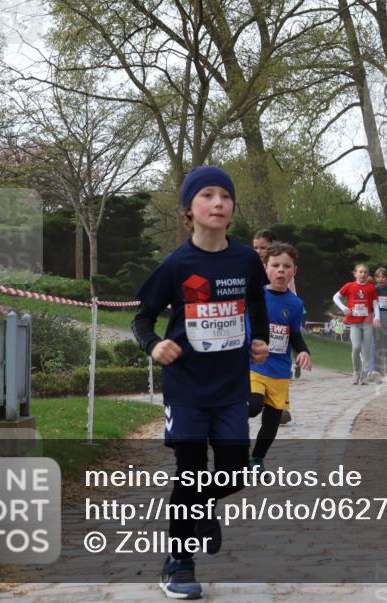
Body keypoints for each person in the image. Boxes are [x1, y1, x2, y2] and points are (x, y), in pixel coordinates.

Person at [131, 165, 269, 599]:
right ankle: (178, 562)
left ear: (232, 210)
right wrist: (153, 345)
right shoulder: (177, 264)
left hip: (230, 387)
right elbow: (141, 318)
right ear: (188, 209)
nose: (218, 203)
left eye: (225, 196)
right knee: (189, 474)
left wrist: (260, 337)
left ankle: (204, 505)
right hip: (187, 387)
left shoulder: (245, 259)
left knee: (233, 475)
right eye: (207, 195)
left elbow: (255, 301)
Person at [248, 242, 312, 468]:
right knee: (253, 406)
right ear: (265, 268)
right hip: (254, 365)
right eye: (275, 265)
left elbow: (294, 335)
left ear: (294, 271)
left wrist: (303, 350)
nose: (281, 270)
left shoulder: (295, 304)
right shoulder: (254, 296)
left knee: (273, 420)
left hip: (279, 370)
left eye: (287, 266)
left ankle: (257, 459)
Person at [333, 264, 380, 385]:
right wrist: (344, 308)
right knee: (356, 347)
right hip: (354, 323)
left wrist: (377, 318)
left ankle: (364, 376)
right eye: (360, 272)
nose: (363, 274)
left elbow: (375, 304)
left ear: (368, 275)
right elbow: (336, 297)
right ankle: (356, 372)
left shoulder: (371, 288)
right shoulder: (349, 286)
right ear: (355, 274)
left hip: (367, 322)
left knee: (367, 350)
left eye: (365, 272)